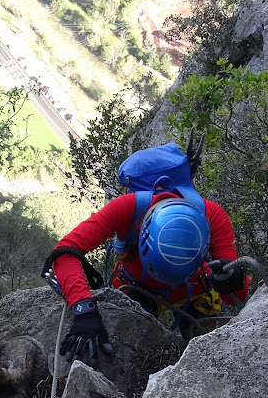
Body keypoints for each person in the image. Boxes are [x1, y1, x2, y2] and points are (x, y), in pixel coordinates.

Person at [50, 142, 250, 368]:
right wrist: (82, 307)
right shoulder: (128, 207)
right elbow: (65, 251)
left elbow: (235, 297)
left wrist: (232, 279)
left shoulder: (211, 214)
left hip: (168, 287)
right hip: (147, 288)